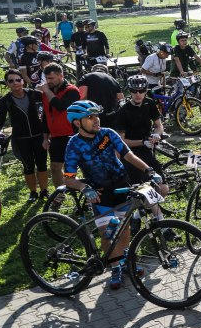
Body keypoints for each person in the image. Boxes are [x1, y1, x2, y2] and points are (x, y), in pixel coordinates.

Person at [62, 100, 163, 288]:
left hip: (122, 186)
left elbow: (128, 155)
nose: (96, 120)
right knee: (107, 233)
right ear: (77, 122)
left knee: (124, 229)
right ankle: (115, 267)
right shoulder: (73, 144)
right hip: (100, 194)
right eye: (90, 117)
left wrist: (149, 170)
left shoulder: (108, 134)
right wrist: (84, 188)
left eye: (96, 116)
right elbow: (68, 178)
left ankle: (125, 263)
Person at [114, 75, 171, 221]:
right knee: (149, 191)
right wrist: (142, 142)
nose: (138, 94)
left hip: (147, 152)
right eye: (134, 91)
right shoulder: (123, 111)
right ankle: (163, 226)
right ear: (129, 91)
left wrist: (156, 134)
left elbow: (158, 125)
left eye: (141, 90)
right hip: (131, 155)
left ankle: (138, 215)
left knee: (163, 189)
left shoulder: (149, 103)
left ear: (146, 90)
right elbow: (121, 141)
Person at [0, 70, 48, 201]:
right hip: (20, 139)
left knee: (42, 164)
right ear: (6, 83)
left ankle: (44, 191)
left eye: (17, 80)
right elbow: (0, 119)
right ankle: (33, 193)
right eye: (11, 81)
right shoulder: (5, 100)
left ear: (22, 81)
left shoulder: (34, 94)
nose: (15, 83)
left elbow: (50, 105)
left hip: (39, 136)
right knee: (28, 166)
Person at [41, 64, 81, 189]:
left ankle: (89, 191)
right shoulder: (47, 93)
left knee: (81, 165)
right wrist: (45, 138)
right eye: (46, 78)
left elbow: (60, 106)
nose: (48, 81)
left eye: (51, 78)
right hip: (56, 136)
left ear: (61, 76)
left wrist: (47, 91)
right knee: (55, 167)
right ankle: (60, 194)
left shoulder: (72, 91)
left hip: (73, 134)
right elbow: (46, 115)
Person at [78, 64, 124, 129]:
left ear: (92, 71)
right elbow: (121, 99)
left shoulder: (86, 77)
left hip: (93, 114)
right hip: (111, 115)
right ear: (106, 72)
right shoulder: (114, 81)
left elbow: (82, 96)